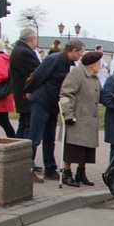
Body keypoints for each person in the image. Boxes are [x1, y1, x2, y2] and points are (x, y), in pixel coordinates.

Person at [25, 38, 85, 183]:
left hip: (53, 104)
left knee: (49, 138)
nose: (81, 56)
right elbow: (38, 76)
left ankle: (50, 169)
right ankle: (27, 171)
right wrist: (28, 91)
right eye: (81, 52)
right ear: (74, 51)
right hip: (41, 102)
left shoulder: (69, 64)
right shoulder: (54, 59)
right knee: (35, 138)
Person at [58, 51, 102, 187]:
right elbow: (65, 93)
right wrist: (68, 115)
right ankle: (66, 173)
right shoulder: (77, 73)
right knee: (72, 148)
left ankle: (80, 173)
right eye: (99, 64)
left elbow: (100, 92)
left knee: (85, 149)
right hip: (76, 118)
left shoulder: (93, 76)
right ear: (91, 65)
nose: (100, 67)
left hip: (88, 119)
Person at [9, 28, 41, 141]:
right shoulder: (24, 52)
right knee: (28, 126)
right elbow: (36, 73)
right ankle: (23, 153)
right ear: (32, 39)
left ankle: (18, 151)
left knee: (23, 124)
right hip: (26, 94)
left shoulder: (19, 49)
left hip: (22, 93)